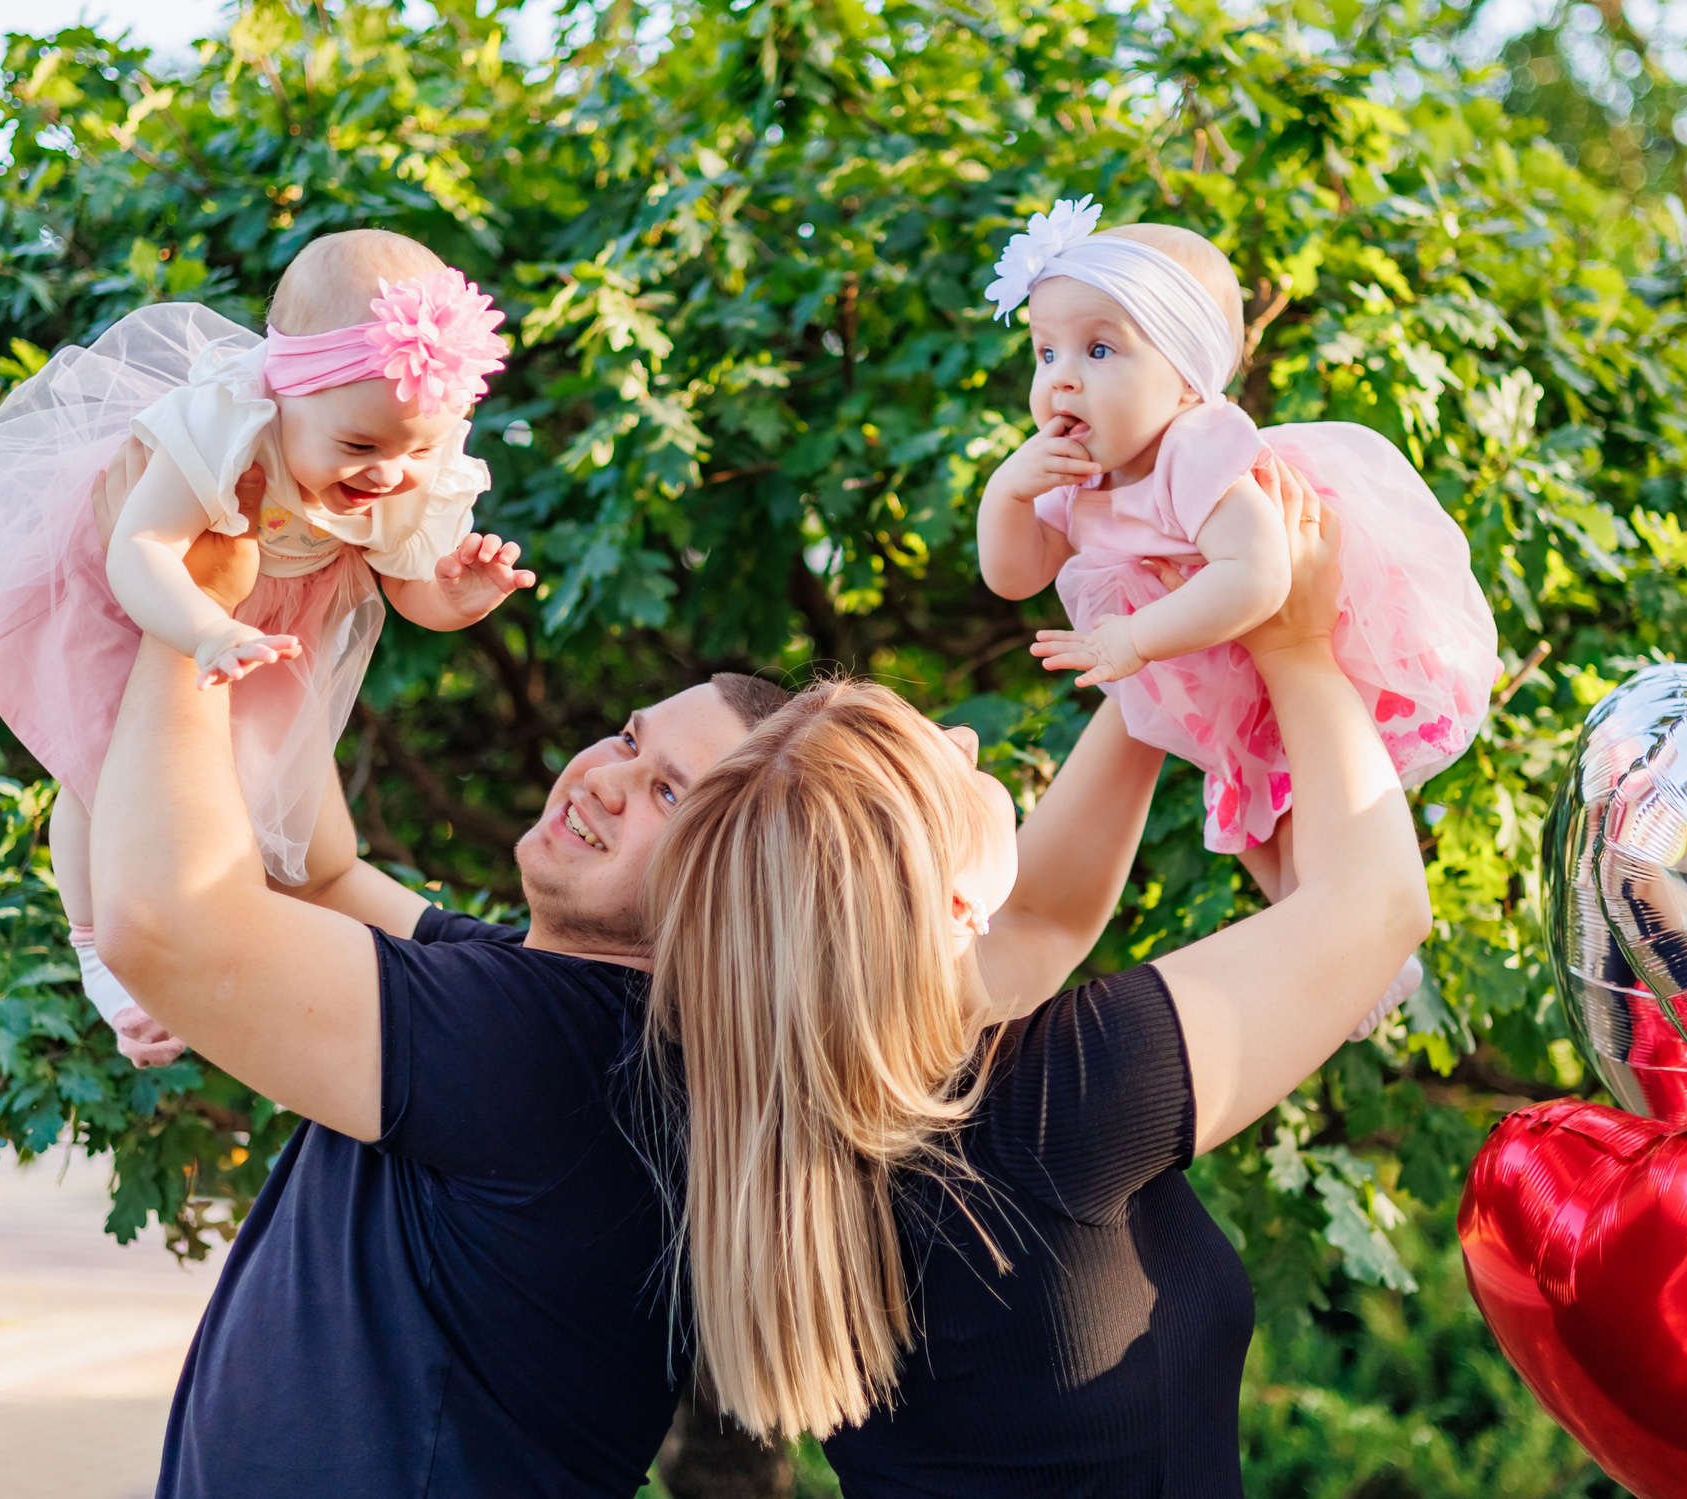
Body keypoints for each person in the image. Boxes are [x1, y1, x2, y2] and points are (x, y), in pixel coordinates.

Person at [84, 508, 1182, 1496]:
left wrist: (190, 602)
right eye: (627, 737)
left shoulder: (535, 1044)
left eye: (667, 792)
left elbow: (162, 922)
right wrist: (304, 575)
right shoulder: (604, 1021)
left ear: (737, 880)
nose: (603, 778)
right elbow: (323, 876)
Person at [647, 458, 1433, 1495]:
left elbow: (1041, 916)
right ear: (948, 905)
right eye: (948, 763)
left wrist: (1164, 637)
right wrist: (1294, 645)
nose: (968, 734)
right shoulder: (1062, 1109)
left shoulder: (811, 1118)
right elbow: (1377, 905)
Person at [0, 229, 534, 1064]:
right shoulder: (227, 427)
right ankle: (95, 945)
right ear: (284, 395)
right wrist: (203, 625)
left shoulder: (407, 448)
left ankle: (419, 968)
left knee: (278, 817)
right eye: (359, 447)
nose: (387, 474)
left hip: (264, 625)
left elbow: (405, 581)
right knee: (104, 771)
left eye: (418, 450)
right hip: (147, 600)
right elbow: (139, 547)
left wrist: (456, 599)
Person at [977, 195, 1497, 1033]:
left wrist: (1136, 637)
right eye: (1045, 351)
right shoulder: (1078, 469)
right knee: (1247, 803)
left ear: (1186, 378)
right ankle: (1339, 951)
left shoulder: (1198, 445)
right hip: (1208, 650)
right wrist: (1006, 493)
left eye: (1099, 348)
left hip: (1290, 622)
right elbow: (1016, 574)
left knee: (1294, 784)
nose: (1061, 377)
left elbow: (1259, 577)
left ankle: (1357, 936)